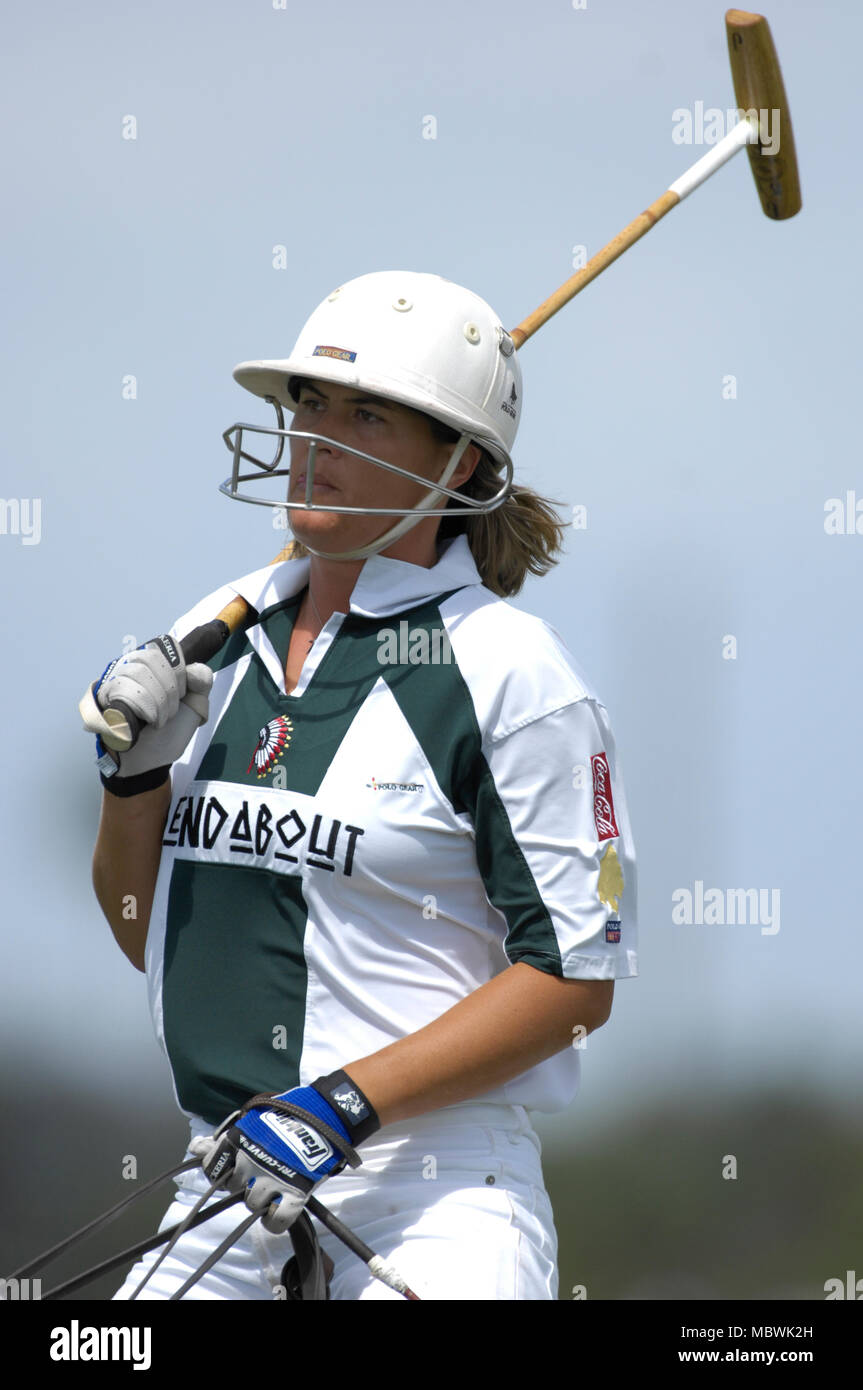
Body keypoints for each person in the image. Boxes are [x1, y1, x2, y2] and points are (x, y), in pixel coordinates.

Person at [80, 270, 638, 1301]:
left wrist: (336, 1107)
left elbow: (573, 982)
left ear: (459, 464)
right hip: (223, 1180)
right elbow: (143, 929)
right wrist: (135, 783)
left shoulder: (511, 671)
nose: (317, 438)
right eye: (310, 406)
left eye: (367, 414)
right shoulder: (221, 634)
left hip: (432, 1197)